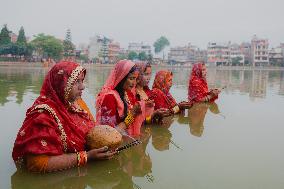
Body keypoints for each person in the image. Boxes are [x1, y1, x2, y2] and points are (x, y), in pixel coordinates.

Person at [12, 61, 116, 173]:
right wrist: (87, 157)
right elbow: (37, 164)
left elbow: (92, 131)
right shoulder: (43, 115)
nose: (83, 87)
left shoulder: (77, 103)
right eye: (76, 82)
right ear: (62, 84)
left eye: (82, 81)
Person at [95, 60, 145, 136]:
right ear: (121, 77)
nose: (134, 83)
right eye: (131, 78)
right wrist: (133, 114)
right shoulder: (109, 97)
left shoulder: (126, 93)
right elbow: (108, 134)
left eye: (135, 79)